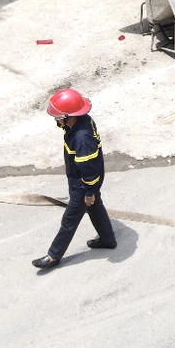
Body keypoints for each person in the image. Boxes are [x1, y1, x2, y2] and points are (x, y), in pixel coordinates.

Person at [32, 88, 117, 269]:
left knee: (69, 220)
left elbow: (89, 168)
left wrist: (89, 191)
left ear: (69, 116)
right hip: (84, 180)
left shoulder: (82, 138)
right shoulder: (82, 121)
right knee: (95, 207)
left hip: (83, 184)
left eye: (58, 118)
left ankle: (54, 256)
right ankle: (107, 239)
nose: (56, 121)